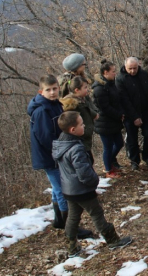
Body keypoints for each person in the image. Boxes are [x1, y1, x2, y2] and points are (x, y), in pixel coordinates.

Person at [52, 111, 132, 257]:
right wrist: (93, 182)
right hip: (82, 190)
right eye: (81, 124)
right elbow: (84, 173)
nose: (84, 126)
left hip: (68, 190)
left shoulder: (60, 144)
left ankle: (72, 246)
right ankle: (113, 240)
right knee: (97, 214)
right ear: (73, 130)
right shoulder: (76, 148)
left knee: (73, 217)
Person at [27, 74, 92, 239]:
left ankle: (58, 220)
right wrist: (60, 153)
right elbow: (45, 137)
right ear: (41, 91)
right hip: (51, 155)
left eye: (55, 88)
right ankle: (71, 226)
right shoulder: (41, 110)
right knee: (62, 190)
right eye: (48, 90)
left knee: (57, 188)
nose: (52, 92)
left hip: (57, 152)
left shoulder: (55, 104)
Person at [115, 57, 148, 170]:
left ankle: (146, 156)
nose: (133, 71)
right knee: (132, 139)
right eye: (130, 68)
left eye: (135, 68)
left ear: (138, 66)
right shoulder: (120, 79)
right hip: (130, 114)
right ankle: (134, 160)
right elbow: (124, 100)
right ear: (125, 67)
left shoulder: (143, 74)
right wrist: (134, 117)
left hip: (145, 111)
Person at [92, 60, 125, 178]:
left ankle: (110, 163)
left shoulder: (111, 84)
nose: (115, 73)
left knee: (119, 143)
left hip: (114, 121)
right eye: (113, 71)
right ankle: (108, 170)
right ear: (105, 72)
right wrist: (118, 114)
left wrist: (121, 112)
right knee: (108, 146)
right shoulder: (99, 89)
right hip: (104, 123)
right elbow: (105, 108)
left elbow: (117, 100)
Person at [60, 76, 99, 164]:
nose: (88, 89)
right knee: (86, 162)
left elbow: (92, 112)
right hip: (79, 139)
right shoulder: (71, 105)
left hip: (85, 137)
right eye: (85, 87)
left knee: (89, 161)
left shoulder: (83, 100)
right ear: (77, 90)